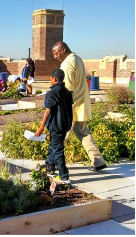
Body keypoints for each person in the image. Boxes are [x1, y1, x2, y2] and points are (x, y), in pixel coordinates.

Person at [52, 41, 107, 172]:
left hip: (72, 106)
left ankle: (52, 162)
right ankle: (98, 161)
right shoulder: (77, 58)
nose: (55, 56)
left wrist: (61, 106)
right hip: (81, 103)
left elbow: (67, 88)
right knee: (84, 133)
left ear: (63, 49)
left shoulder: (67, 63)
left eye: (56, 53)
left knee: (60, 135)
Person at [35, 69, 73, 184]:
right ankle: (50, 167)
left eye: (51, 78)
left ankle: (64, 176)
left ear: (54, 79)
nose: (50, 80)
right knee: (53, 146)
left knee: (57, 149)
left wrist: (41, 127)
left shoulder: (52, 93)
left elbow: (48, 111)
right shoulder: (67, 92)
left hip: (56, 125)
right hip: (65, 124)